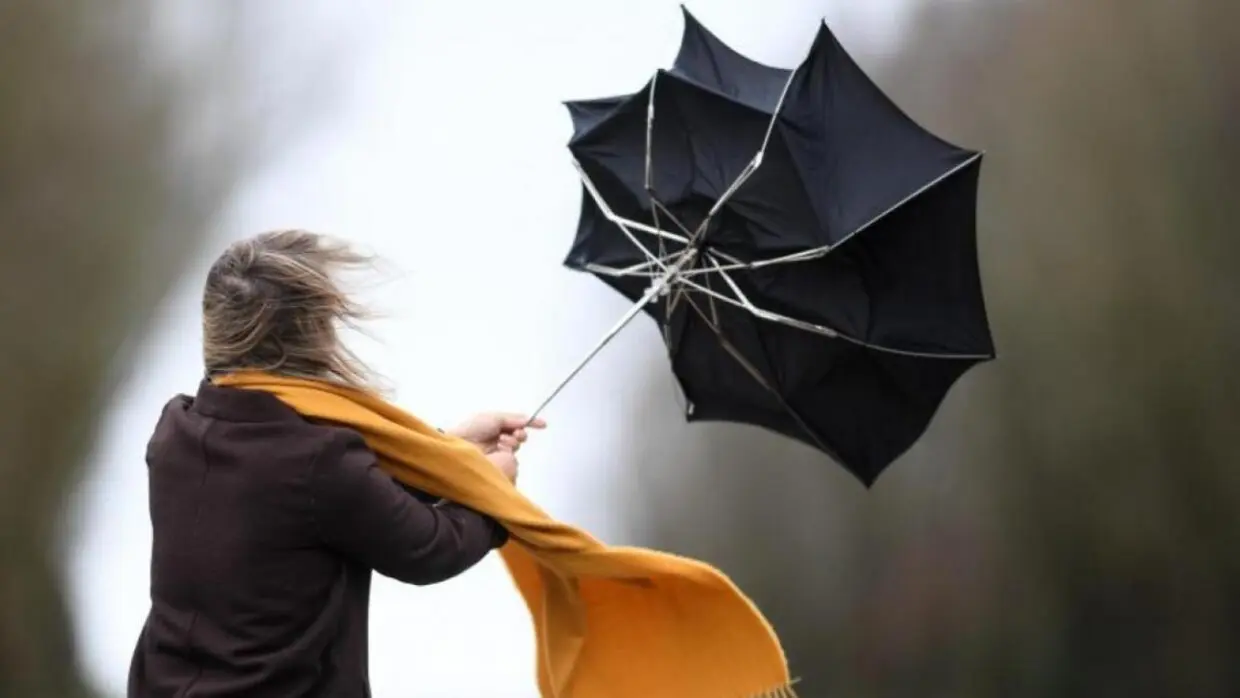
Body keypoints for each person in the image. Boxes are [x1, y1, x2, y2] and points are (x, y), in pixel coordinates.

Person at [127, 230, 543, 698]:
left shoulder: (176, 430)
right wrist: (491, 494)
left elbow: (346, 505)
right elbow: (427, 546)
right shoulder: (318, 460)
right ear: (313, 335)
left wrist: (451, 452)